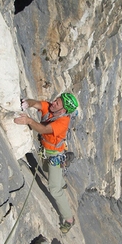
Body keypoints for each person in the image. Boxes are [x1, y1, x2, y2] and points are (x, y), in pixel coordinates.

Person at [14, 93, 78, 233]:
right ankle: (61, 180)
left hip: (55, 153)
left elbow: (43, 129)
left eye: (58, 103)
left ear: (63, 111)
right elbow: (36, 103)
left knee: (54, 189)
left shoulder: (62, 122)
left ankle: (69, 219)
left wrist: (29, 121)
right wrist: (27, 103)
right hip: (45, 149)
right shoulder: (50, 107)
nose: (54, 102)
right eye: (56, 100)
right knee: (46, 169)